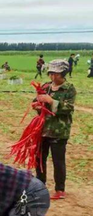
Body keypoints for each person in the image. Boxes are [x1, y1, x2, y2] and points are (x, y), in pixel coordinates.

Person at [35, 60, 76, 200]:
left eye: (56, 74)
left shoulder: (69, 88)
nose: (53, 77)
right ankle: (39, 185)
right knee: (39, 158)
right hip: (42, 129)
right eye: (51, 73)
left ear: (63, 74)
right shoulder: (46, 87)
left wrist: (51, 101)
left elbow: (68, 108)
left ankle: (60, 190)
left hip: (59, 130)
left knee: (58, 160)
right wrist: (37, 106)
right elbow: (37, 102)